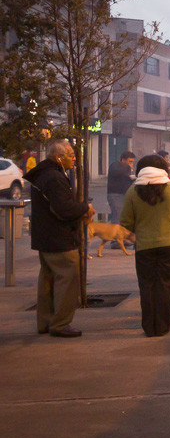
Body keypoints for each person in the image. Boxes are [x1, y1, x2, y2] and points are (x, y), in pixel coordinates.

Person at [23, 139, 93, 338]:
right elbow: (64, 209)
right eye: (71, 156)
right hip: (59, 239)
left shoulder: (46, 174)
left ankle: (45, 322)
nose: (74, 159)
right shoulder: (54, 177)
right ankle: (61, 324)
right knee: (67, 281)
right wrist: (85, 207)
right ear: (59, 157)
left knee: (48, 280)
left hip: (45, 238)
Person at [120, 155, 170, 337]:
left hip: (144, 245)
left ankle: (149, 327)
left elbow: (125, 222)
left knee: (147, 286)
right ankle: (162, 325)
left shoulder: (132, 191)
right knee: (167, 285)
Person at [107, 151, 136, 225]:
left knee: (123, 215)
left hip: (124, 194)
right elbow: (115, 172)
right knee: (117, 215)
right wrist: (127, 167)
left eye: (132, 162)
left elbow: (124, 180)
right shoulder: (115, 165)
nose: (131, 164)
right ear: (123, 160)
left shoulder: (126, 169)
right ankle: (115, 234)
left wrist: (131, 179)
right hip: (115, 194)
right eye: (130, 162)